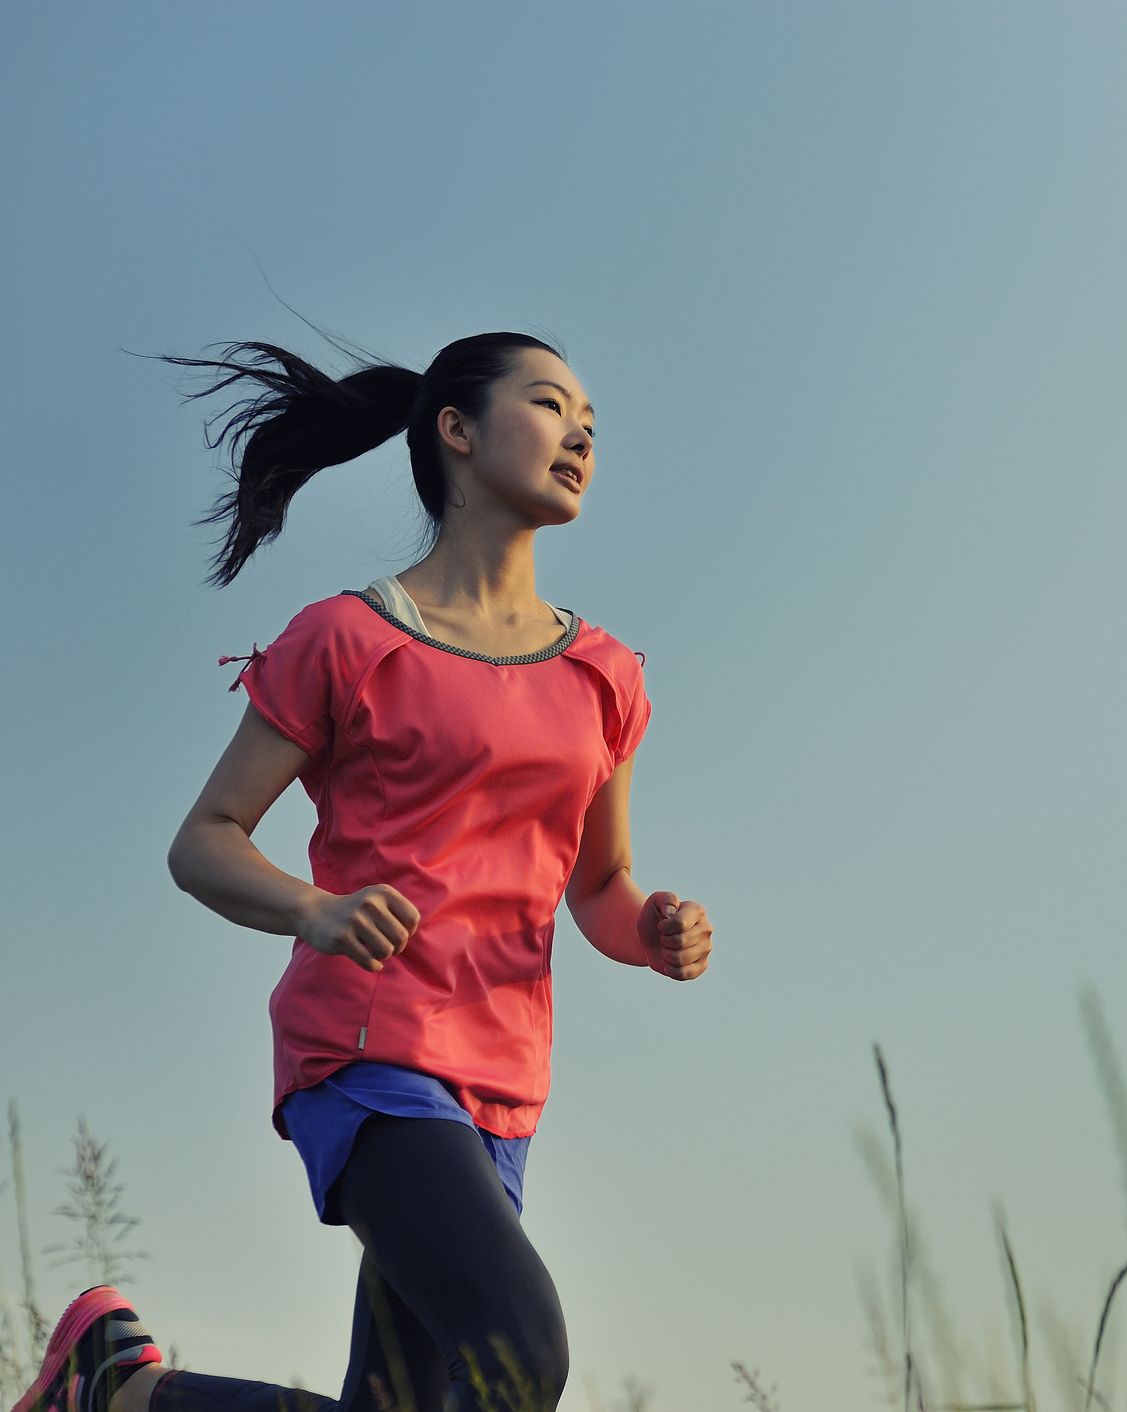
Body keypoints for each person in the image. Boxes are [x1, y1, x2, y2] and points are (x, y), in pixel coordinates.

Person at [10, 333, 713, 1412]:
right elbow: (205, 836)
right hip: (368, 1043)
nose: (579, 432)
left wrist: (654, 926)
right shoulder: (350, 639)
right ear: (457, 429)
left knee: (400, 1406)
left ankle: (123, 1391)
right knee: (519, 1347)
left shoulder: (602, 677)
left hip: (504, 1083)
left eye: (590, 421)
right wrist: (314, 907)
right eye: (547, 402)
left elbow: (599, 887)